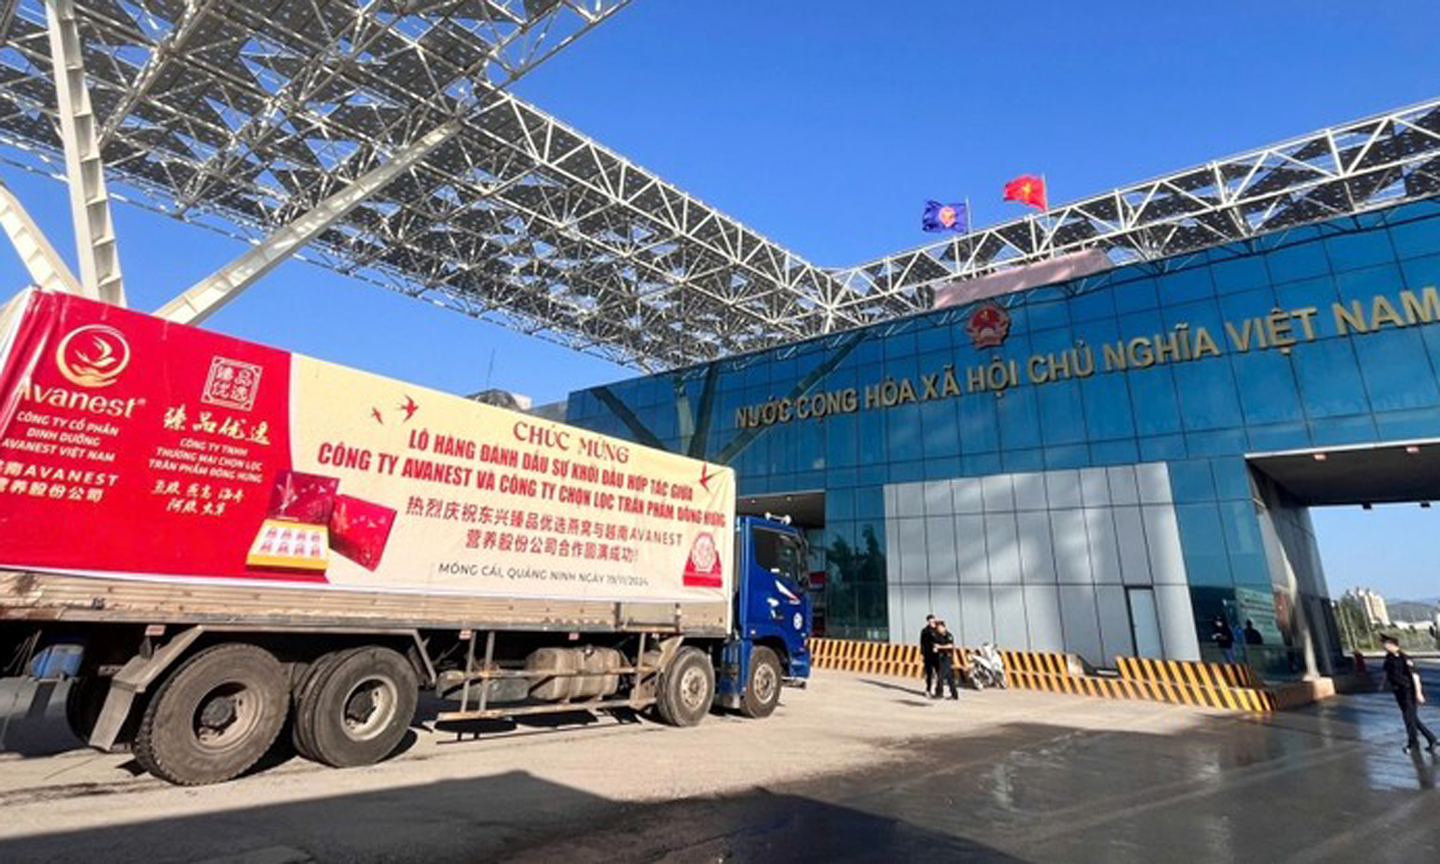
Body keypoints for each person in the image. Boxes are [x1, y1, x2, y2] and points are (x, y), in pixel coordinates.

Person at [1382, 635, 1438, 755]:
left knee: (1408, 718)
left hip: (1408, 691)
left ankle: (1412, 744)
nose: (1384, 646)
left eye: (1387, 644)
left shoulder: (1405, 658)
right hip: (1398, 692)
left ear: (1394, 645)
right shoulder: (1388, 658)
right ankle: (1432, 739)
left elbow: (1415, 676)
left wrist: (1418, 693)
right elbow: (1387, 673)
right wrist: (1383, 685)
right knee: (1412, 718)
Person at [930, 620, 960, 700]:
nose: (938, 629)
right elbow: (935, 645)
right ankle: (954, 695)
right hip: (940, 657)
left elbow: (950, 645)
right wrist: (935, 649)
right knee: (949, 678)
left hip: (947, 658)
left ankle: (939, 693)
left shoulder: (948, 635)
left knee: (940, 676)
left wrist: (940, 647)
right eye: (937, 628)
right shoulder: (937, 635)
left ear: (944, 627)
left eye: (939, 627)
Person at [919, 614, 937, 695]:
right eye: (930, 621)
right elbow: (922, 643)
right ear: (927, 621)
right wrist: (922, 654)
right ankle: (928, 689)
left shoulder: (938, 629)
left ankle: (938, 691)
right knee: (929, 673)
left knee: (939, 673)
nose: (931, 622)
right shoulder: (924, 631)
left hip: (937, 654)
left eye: (933, 621)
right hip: (928, 654)